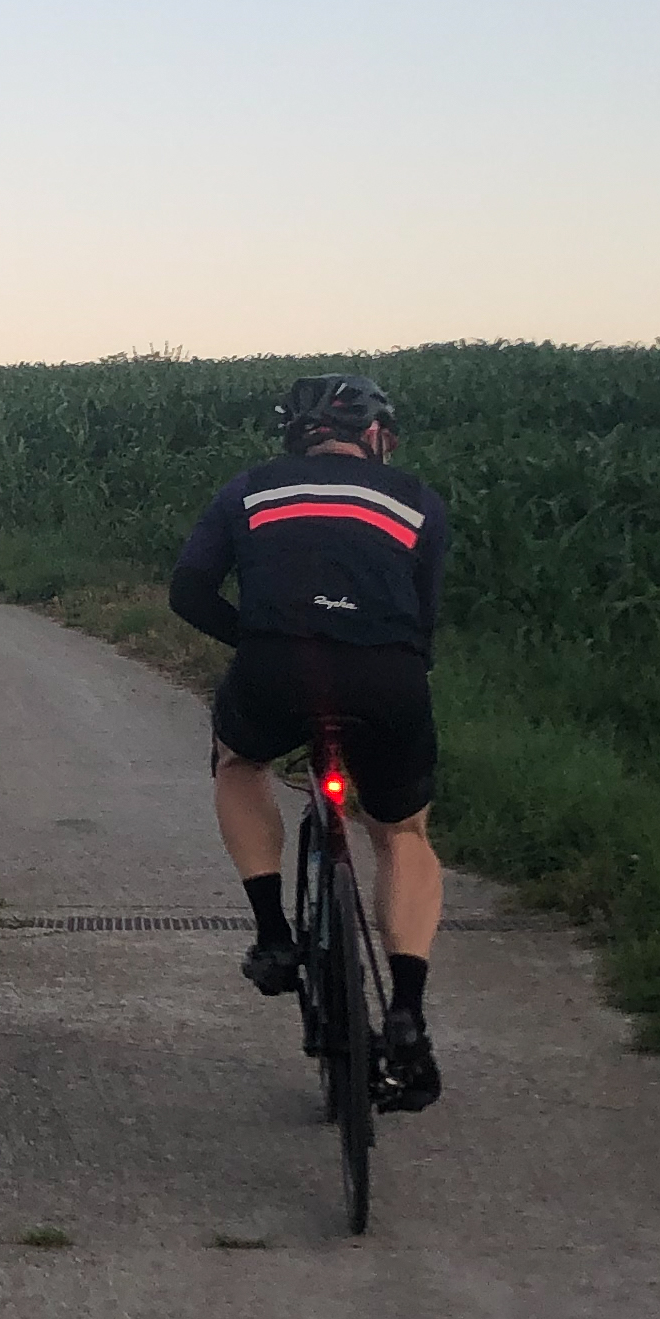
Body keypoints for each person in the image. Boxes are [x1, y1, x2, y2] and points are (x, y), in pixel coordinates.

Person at [168, 374, 455, 1110]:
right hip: (387, 677)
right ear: (376, 436)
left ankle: (272, 936)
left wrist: (256, 641)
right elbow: (423, 624)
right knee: (403, 834)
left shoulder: (249, 489)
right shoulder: (416, 499)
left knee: (239, 761)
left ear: (297, 439)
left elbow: (188, 592)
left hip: (275, 667)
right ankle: (408, 1013)